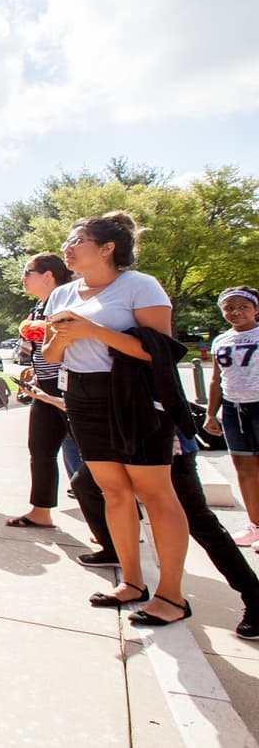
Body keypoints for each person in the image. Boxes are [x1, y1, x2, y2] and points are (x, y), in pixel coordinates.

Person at [43, 212, 192, 626]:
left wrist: (91, 329)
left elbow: (157, 353)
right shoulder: (62, 294)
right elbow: (54, 358)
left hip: (134, 396)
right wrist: (54, 337)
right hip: (83, 396)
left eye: (78, 240)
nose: (68, 248)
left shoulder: (140, 285)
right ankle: (132, 582)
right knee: (113, 492)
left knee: (156, 493)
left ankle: (172, 595)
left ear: (107, 248)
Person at [5, 254, 82, 528]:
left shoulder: (69, 298)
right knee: (40, 449)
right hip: (46, 386)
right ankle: (41, 510)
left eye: (28, 272)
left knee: (94, 458)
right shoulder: (40, 306)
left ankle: (118, 521)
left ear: (48, 275)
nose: (23, 278)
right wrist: (35, 371)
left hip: (73, 385)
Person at [202, 286, 259, 549]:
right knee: (245, 470)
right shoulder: (221, 341)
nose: (236, 312)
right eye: (229, 307)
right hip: (234, 408)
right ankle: (255, 524)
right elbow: (215, 379)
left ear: (255, 309)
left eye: (243, 307)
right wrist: (211, 413)